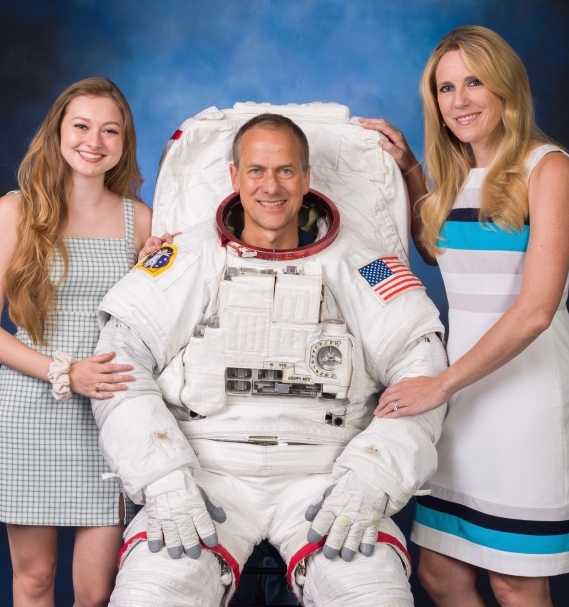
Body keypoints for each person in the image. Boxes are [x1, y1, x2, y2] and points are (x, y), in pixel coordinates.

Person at [90, 112, 449, 607]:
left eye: (285, 171)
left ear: (306, 178)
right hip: (203, 471)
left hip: (325, 475)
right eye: (256, 171)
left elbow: (422, 367)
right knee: (155, 592)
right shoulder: (189, 255)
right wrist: (162, 477)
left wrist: (374, 478)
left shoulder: (361, 262)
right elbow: (117, 362)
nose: (270, 186)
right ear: (234, 178)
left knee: (371, 594)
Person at [361, 25, 569, 607]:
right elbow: (438, 250)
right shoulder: (460, 175)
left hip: (526, 400)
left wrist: (438, 386)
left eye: (474, 82)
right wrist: (413, 168)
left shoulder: (550, 170)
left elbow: (537, 311)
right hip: (463, 397)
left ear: (506, 88)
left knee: (514, 580)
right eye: (446, 89)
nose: (460, 100)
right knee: (442, 573)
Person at [0, 77, 155, 607]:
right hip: (28, 415)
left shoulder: (138, 221)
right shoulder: (16, 210)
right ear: (57, 132)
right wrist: (67, 372)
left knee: (97, 592)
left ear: (123, 143)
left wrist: (164, 265)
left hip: (109, 419)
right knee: (34, 579)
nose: (93, 140)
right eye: (81, 125)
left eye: (110, 130)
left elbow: (154, 320)